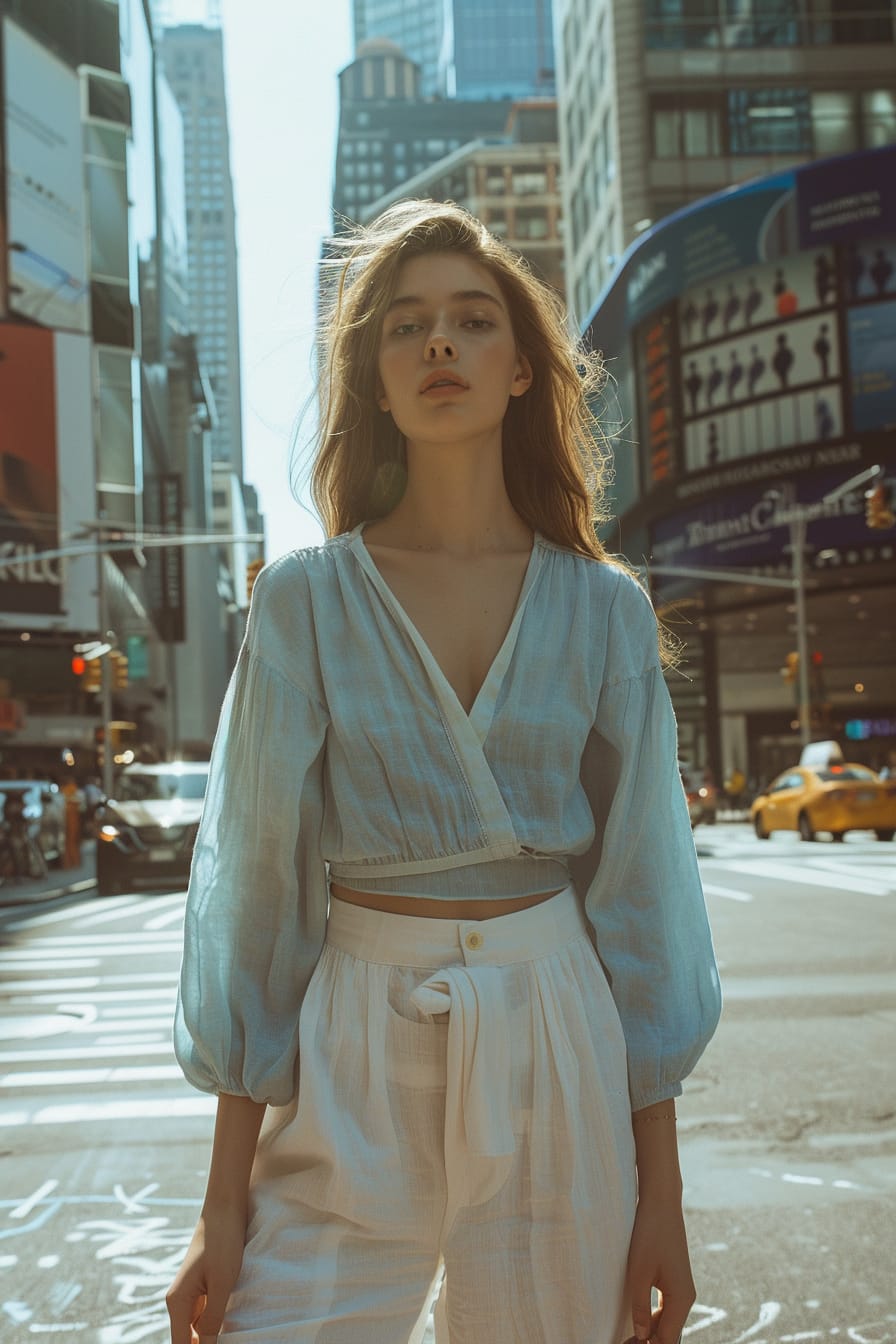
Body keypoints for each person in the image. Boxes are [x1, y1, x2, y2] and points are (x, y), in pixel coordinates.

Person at [167, 200, 722, 1344]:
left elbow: (643, 907)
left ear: (521, 368)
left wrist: (659, 1195)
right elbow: (258, 902)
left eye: (471, 322)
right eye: (405, 326)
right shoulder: (305, 598)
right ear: (371, 374)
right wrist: (220, 1205)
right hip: (352, 1043)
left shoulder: (603, 608)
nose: (437, 345)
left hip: (554, 1028)